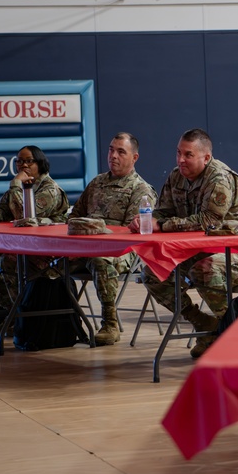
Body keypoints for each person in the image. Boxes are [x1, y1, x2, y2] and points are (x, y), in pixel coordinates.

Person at [135, 128, 238, 358]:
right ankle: (206, 325)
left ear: (206, 157)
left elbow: (208, 221)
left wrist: (162, 225)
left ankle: (235, 333)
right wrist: (147, 220)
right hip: (197, 252)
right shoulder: (176, 176)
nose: (180, 160)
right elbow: (162, 212)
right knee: (152, 273)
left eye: (188, 155)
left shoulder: (220, 178)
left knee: (204, 270)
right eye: (178, 153)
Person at [0, 145, 69, 327]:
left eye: (29, 161)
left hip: (46, 252)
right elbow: (1, 207)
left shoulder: (50, 190)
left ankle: (21, 317)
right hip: (21, 246)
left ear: (40, 163)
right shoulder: (23, 185)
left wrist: (15, 184)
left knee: (8, 261)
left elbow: (25, 216)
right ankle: (11, 310)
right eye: (19, 161)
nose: (23, 166)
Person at [69, 132, 157, 346]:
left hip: (122, 253)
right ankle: (53, 320)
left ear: (134, 158)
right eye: (111, 150)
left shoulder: (141, 190)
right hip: (85, 248)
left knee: (102, 262)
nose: (113, 156)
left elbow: (130, 232)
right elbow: (73, 216)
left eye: (121, 152)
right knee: (44, 260)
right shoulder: (97, 182)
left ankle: (110, 323)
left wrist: (94, 229)